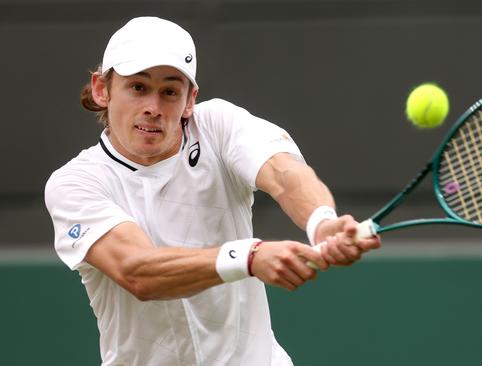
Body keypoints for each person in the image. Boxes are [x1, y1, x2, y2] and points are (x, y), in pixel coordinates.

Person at [44, 16, 380, 366]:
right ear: (102, 89)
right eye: (138, 87)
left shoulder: (219, 126)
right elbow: (138, 271)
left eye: (170, 92)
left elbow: (283, 174)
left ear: (190, 99)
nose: (153, 108)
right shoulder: (75, 183)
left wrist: (322, 222)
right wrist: (248, 257)